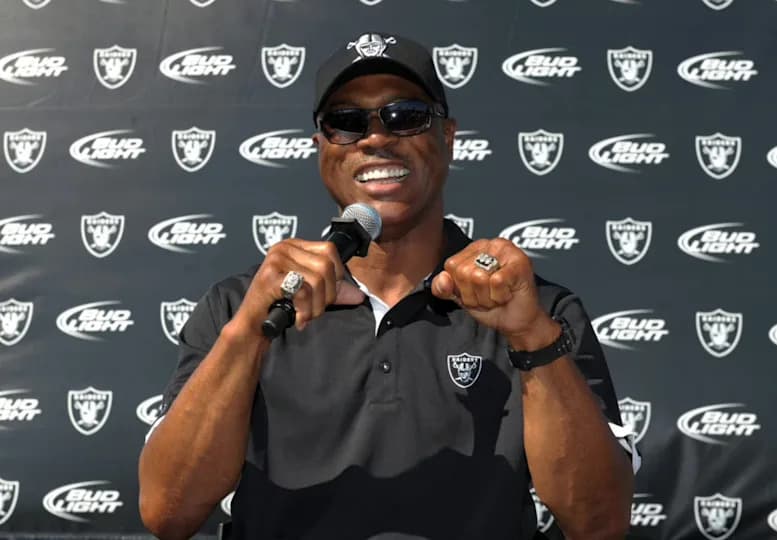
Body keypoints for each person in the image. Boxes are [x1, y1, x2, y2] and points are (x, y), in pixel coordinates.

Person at [139, 32, 638, 540]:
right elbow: (168, 510)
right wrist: (249, 332)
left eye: (405, 116)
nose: (376, 137)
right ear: (321, 149)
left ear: (448, 136)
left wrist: (533, 339)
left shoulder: (537, 310)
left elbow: (598, 523)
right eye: (347, 122)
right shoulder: (241, 306)